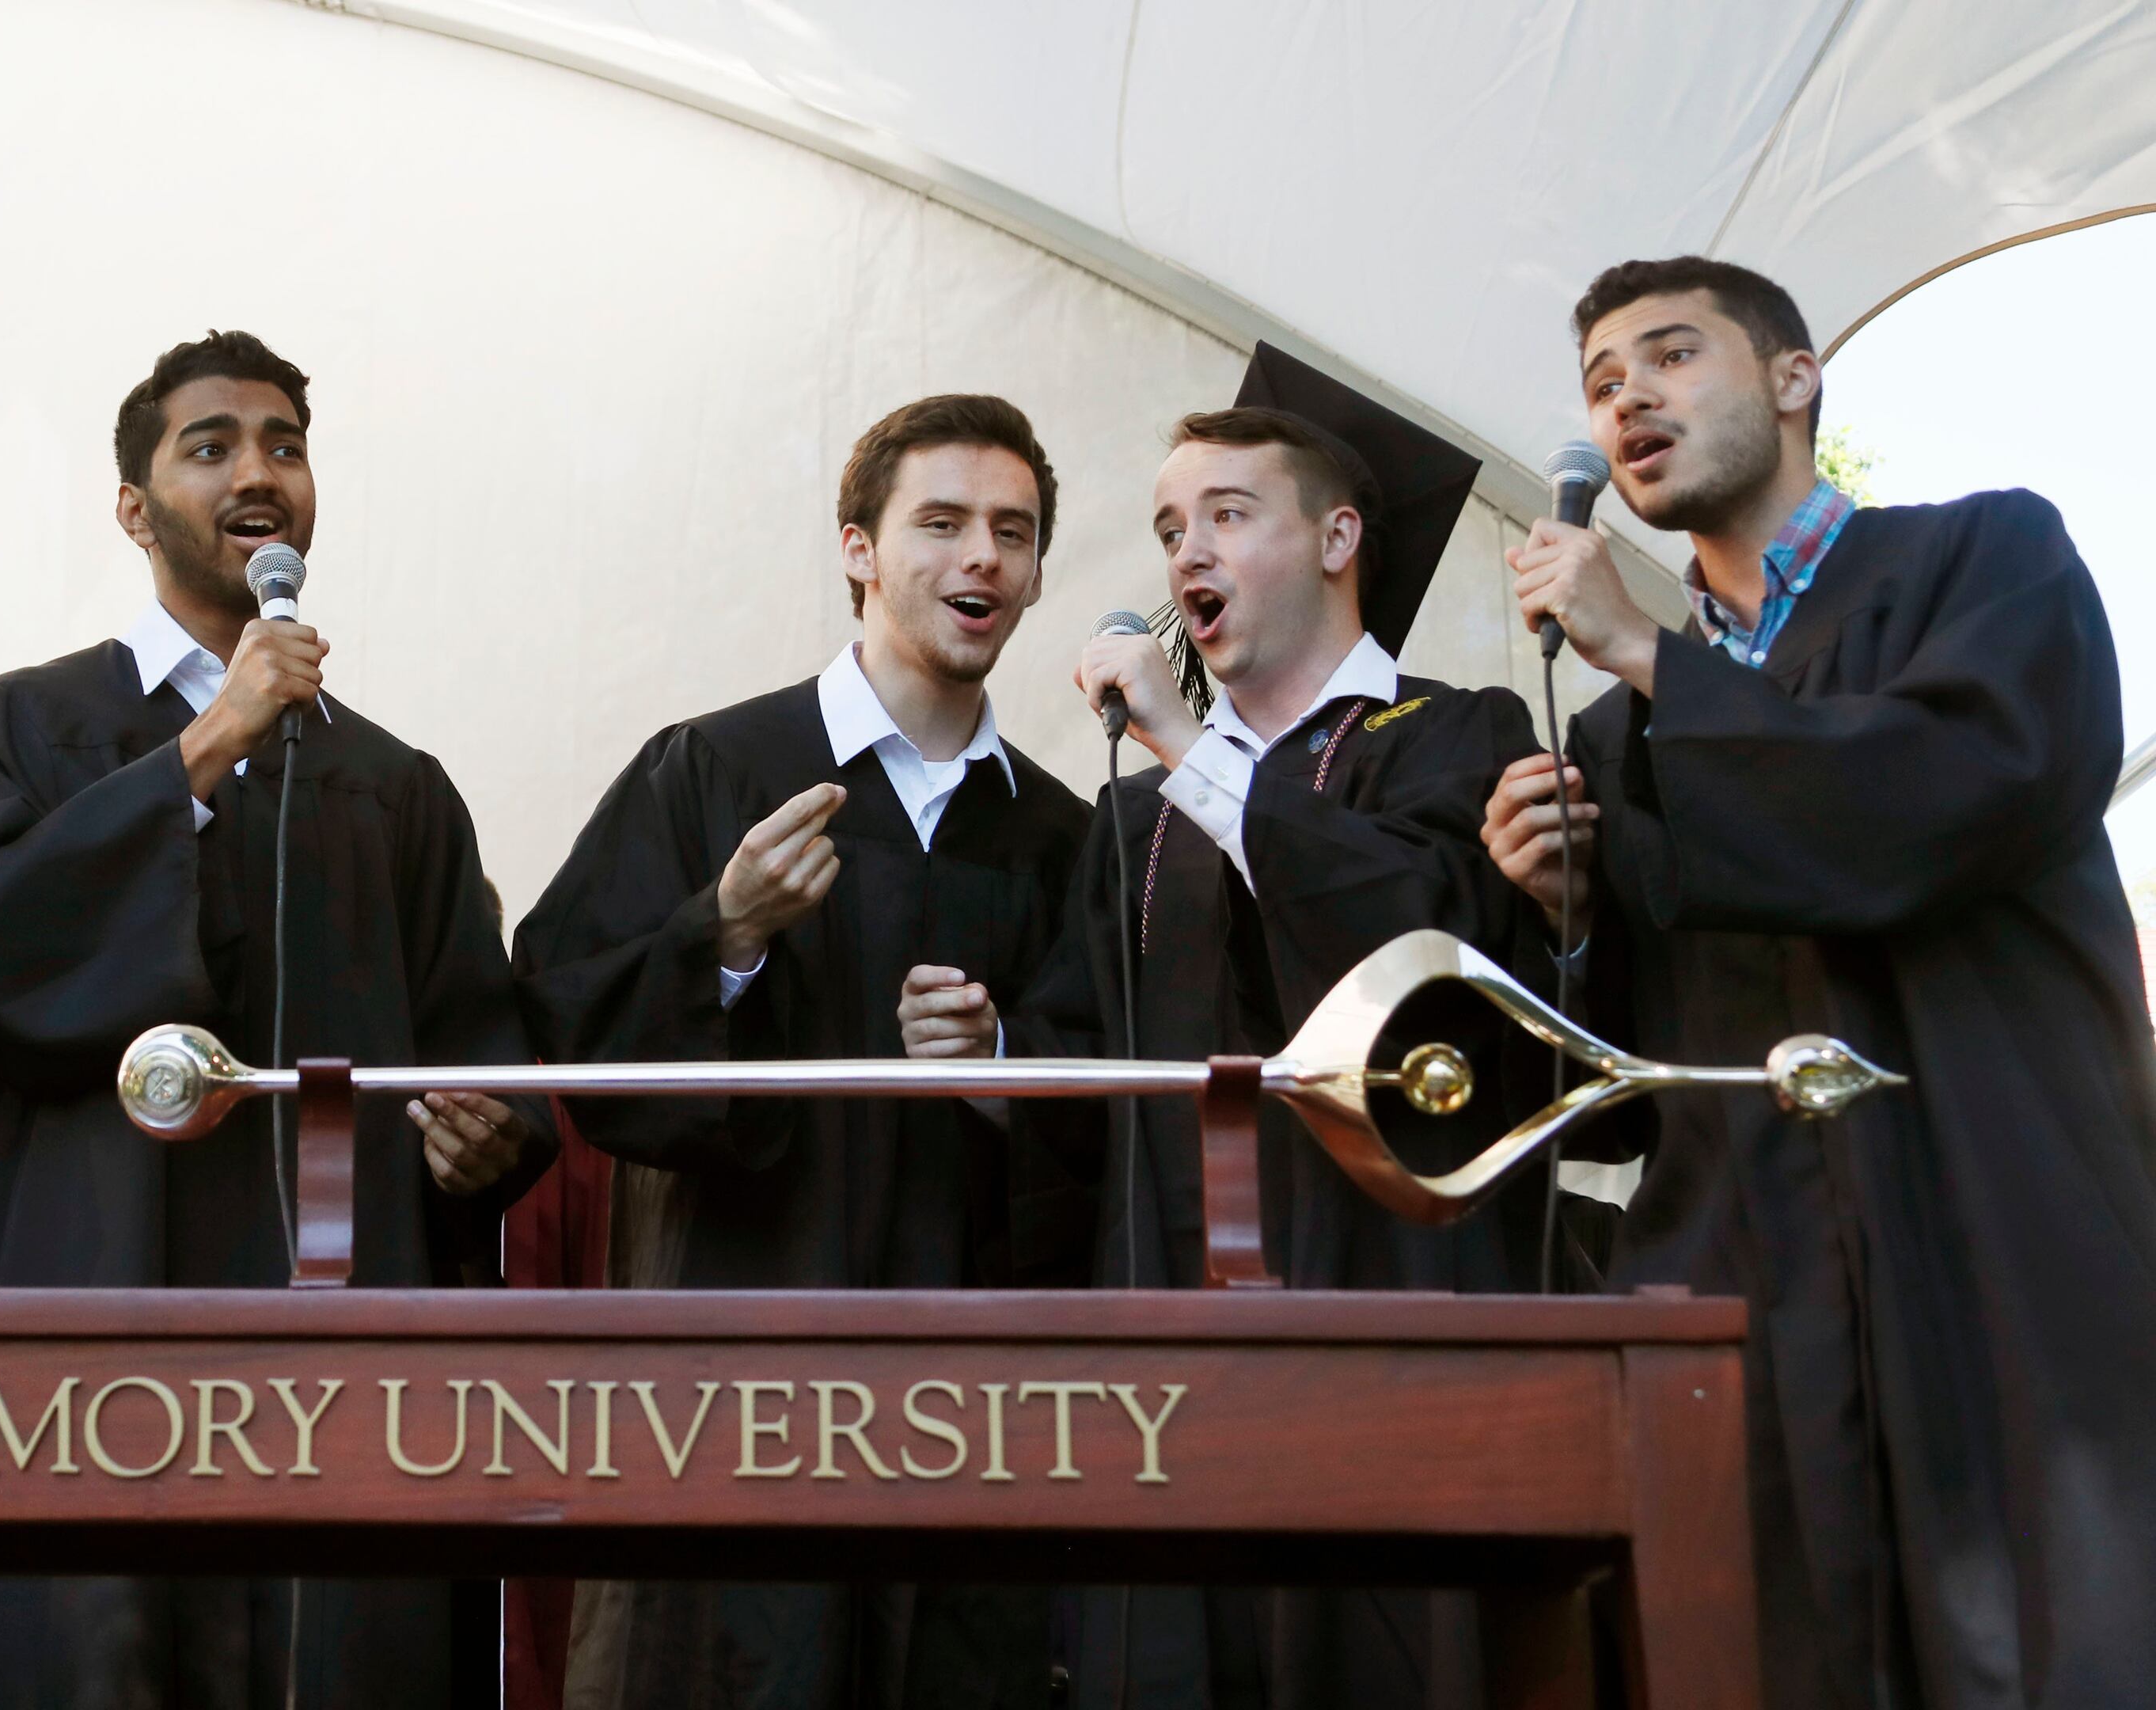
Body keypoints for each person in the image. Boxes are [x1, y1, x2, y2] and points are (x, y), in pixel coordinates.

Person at [1483, 255, 2156, 1709]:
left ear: (1796, 379)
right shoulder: (1615, 730)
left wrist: (1657, 660)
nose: (1627, 401)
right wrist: (1567, 914)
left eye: (1671, 357)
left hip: (1996, 1219)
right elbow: (1624, 1090)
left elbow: (1946, 797)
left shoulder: (1986, 561)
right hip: (1758, 1293)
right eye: (1603, 385)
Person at [0, 328, 547, 1709]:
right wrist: (208, 743)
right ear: (133, 508)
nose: (259, 473)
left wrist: (490, 1133)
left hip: (340, 1338)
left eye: (286, 447)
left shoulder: (396, 785)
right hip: (88, 1299)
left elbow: (485, 1041)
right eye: (212, 446)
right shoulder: (9, 725)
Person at [1012, 347, 1570, 1708]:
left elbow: (1410, 951)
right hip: (1163, 1351)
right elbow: (1079, 1070)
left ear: (1336, 538)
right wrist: (980, 1056)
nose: (1183, 550)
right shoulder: (1137, 821)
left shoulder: (1448, 735)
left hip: (1388, 1307)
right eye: (1166, 528)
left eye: (1225, 514)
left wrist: (1186, 753)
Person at [516, 393, 1091, 1708]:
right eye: (940, 523)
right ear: (858, 548)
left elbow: (1109, 1112)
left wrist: (1004, 1061)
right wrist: (721, 936)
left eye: (1013, 531)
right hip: (740, 1373)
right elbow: (567, 1008)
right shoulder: (719, 767)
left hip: (972, 1409)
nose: (982, 558)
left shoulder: (1060, 836)